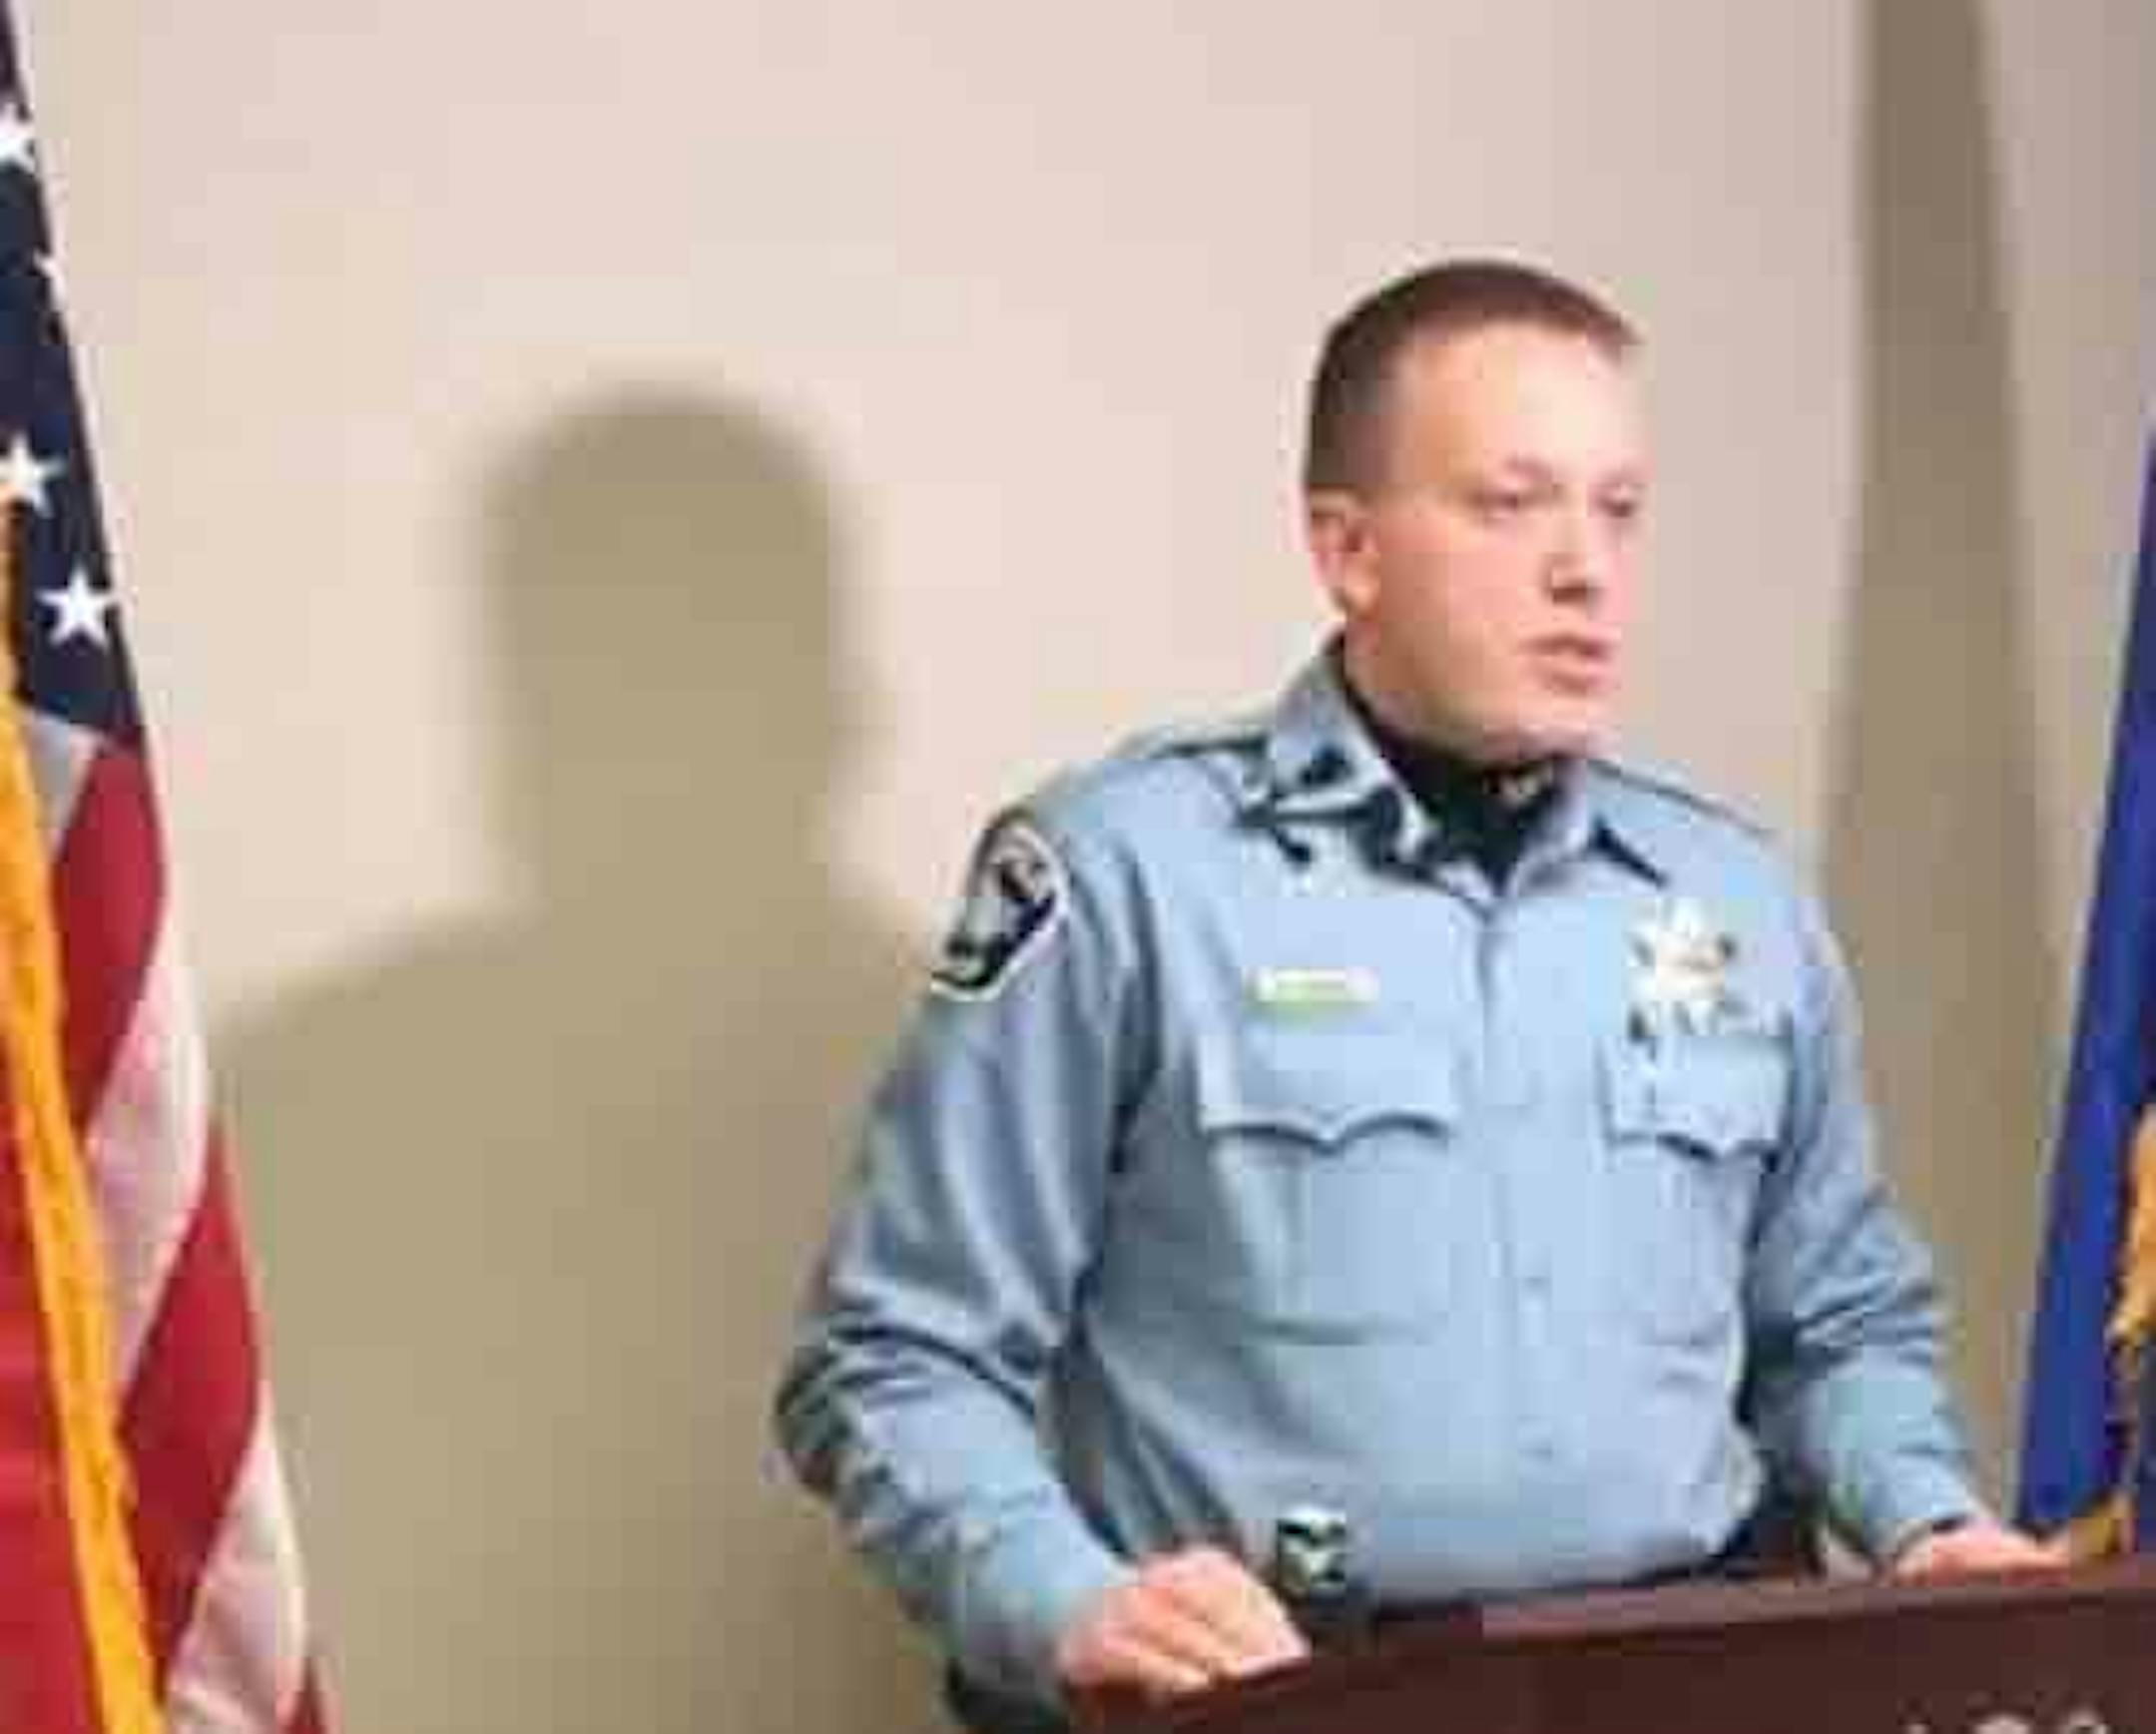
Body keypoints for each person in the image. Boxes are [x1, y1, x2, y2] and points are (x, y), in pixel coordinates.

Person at [773, 259, 2056, 1731]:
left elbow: (1837, 1322)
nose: (1586, 566)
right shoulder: (1128, 874)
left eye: (1617, 508)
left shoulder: (1733, 897)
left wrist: (1926, 1521)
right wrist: (1066, 1598)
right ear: (1348, 549)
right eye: (1512, 504)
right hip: (1312, 1695)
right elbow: (889, 1354)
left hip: (1690, 1679)